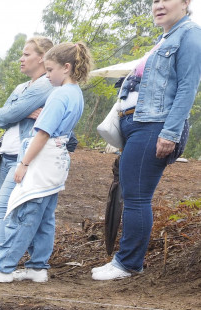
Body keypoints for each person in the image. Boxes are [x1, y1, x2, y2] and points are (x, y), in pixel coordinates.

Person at [92, 0, 201, 281]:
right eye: (154, 0)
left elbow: (188, 87)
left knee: (137, 197)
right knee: (132, 193)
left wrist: (170, 133)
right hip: (137, 124)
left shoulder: (190, 34)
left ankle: (128, 263)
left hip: (155, 125)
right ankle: (126, 260)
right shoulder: (162, 38)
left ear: (186, 3)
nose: (159, 5)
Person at [0, 42, 92, 283]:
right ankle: (37, 266)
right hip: (58, 162)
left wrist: (24, 163)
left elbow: (43, 133)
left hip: (41, 160)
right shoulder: (76, 93)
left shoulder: (59, 96)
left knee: (24, 213)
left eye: (50, 70)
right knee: (45, 215)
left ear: (66, 68)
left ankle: (3, 268)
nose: (47, 76)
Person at [0, 36, 55, 260]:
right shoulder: (22, 86)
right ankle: (8, 255)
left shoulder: (44, 85)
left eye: (26, 54)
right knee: (5, 207)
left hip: (23, 157)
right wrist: (22, 112)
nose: (21, 59)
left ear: (41, 58)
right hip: (6, 156)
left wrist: (15, 112)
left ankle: (0, 259)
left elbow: (8, 114)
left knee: (6, 208)